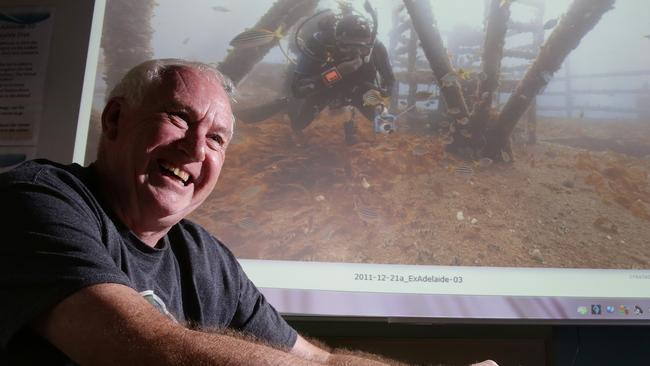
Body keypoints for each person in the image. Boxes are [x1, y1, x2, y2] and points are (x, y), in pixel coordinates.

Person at [0, 59, 497, 366]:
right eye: (179, 118)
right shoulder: (38, 200)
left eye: (217, 139)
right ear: (114, 119)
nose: (197, 149)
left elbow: (318, 363)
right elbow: (147, 350)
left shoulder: (205, 257)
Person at [289, 12, 395, 145]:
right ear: (336, 41)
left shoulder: (376, 47)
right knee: (298, 123)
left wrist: (382, 98)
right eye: (347, 47)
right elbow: (298, 89)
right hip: (324, 88)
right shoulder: (319, 42)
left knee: (387, 128)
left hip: (360, 87)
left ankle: (354, 124)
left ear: (369, 44)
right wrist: (338, 72)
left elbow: (389, 81)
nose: (355, 54)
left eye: (361, 48)